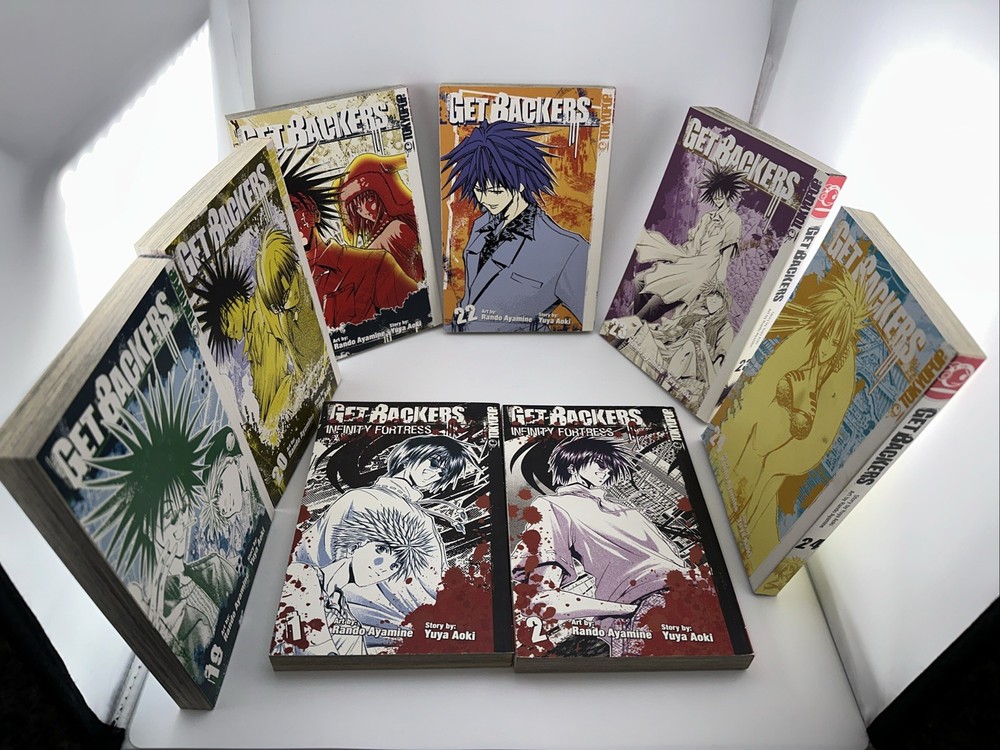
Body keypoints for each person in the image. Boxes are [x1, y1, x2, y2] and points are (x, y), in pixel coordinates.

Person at [713, 264, 870, 570]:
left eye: (835, 343)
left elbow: (818, 439)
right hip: (752, 438)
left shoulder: (839, 375)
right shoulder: (805, 343)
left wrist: (777, 456)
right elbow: (763, 385)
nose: (827, 348)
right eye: (826, 336)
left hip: (774, 457)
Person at [296, 435, 478, 650]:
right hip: (346, 620)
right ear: (409, 456)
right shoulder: (369, 502)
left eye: (443, 473)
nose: (436, 473)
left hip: (357, 625)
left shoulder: (414, 516)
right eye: (434, 462)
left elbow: (433, 583)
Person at [510, 436, 687, 654]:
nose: (607, 471)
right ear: (572, 466)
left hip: (692, 593)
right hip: (650, 606)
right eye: (601, 464)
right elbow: (542, 597)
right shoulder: (553, 506)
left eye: (610, 467)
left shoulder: (628, 511)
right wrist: (626, 610)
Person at [440, 121, 588, 331]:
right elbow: (474, 297)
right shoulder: (482, 226)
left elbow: (592, 320)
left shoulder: (569, 249)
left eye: (496, 191)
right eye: (479, 191)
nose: (486, 200)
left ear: (520, 183)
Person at [275, 505, 438, 656]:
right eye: (380, 549)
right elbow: (308, 647)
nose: (382, 567)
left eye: (394, 566)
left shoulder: (349, 623)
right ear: (357, 544)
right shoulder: (302, 576)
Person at [282, 149, 418, 328]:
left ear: (313, 211)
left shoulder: (373, 264)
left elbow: (416, 315)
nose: (290, 223)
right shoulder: (283, 292)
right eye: (281, 218)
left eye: (293, 209)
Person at [633, 164, 747, 321]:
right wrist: (672, 257)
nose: (717, 198)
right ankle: (633, 325)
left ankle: (633, 326)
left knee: (656, 302)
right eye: (714, 195)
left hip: (701, 274)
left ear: (728, 193)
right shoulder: (707, 218)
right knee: (638, 281)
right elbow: (692, 246)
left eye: (720, 195)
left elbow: (724, 261)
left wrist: (715, 288)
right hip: (687, 263)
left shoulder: (734, 221)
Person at [605, 280, 734, 408]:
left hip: (692, 365)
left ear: (724, 303)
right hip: (670, 352)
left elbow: (714, 378)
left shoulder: (725, 328)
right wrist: (655, 330)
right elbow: (670, 331)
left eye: (718, 298)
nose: (713, 300)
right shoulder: (696, 315)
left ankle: (663, 385)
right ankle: (606, 335)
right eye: (711, 296)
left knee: (688, 346)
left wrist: (702, 345)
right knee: (636, 324)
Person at [339, 152, 425, 282]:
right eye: (358, 208)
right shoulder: (379, 234)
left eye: (369, 199)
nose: (366, 211)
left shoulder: (396, 228)